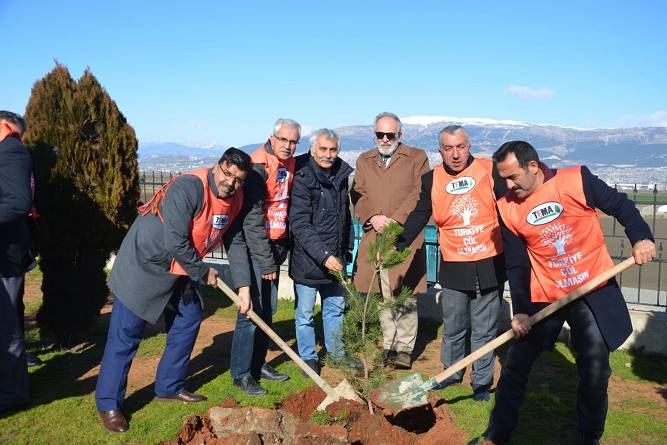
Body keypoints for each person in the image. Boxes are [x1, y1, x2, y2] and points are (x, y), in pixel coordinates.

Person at [481, 141, 656, 445]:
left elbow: (621, 206)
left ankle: (588, 436)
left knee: (595, 370)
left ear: (533, 166)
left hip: (592, 288)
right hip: (545, 293)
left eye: (512, 177)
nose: (507, 185)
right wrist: (521, 310)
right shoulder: (506, 207)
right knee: (516, 365)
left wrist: (641, 238)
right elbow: (517, 263)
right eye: (502, 178)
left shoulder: (576, 180)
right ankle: (496, 434)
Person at [95, 148, 253, 433]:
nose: (231, 182)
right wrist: (203, 271)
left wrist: (243, 287)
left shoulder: (236, 199)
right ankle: (109, 403)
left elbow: (237, 242)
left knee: (188, 319)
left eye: (238, 179)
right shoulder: (188, 188)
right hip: (146, 263)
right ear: (217, 167)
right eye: (227, 174)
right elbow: (176, 240)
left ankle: (169, 385)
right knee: (126, 335)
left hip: (181, 267)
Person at [397, 125, 505, 401]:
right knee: (454, 325)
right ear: (440, 151)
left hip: (489, 263)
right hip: (454, 264)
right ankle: (451, 374)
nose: (455, 154)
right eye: (448, 148)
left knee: (484, 329)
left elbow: (509, 208)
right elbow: (420, 214)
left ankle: (481, 383)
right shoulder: (431, 179)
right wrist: (398, 243)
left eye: (460, 147)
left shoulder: (489, 170)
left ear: (469, 146)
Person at [350, 112, 429, 369]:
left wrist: (395, 220)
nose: (384, 139)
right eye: (379, 134)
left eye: (390, 134)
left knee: (403, 293)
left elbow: (420, 193)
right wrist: (373, 216)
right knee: (382, 293)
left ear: (400, 135)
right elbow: (358, 192)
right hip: (375, 234)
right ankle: (389, 345)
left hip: (405, 236)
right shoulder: (364, 160)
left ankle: (404, 350)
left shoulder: (417, 158)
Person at [230, 118, 300, 396]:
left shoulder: (290, 163)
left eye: (293, 141)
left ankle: (259, 364)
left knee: (267, 311)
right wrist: (265, 260)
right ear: (272, 138)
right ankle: (241, 373)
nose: (288, 145)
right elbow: (251, 220)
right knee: (250, 313)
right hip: (256, 249)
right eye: (283, 140)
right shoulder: (258, 167)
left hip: (275, 247)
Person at [288, 129, 353, 375]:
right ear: (313, 150)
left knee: (334, 309)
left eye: (332, 150)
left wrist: (344, 251)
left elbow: (344, 217)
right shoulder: (303, 177)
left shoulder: (341, 175)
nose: (328, 155)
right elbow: (301, 225)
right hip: (309, 259)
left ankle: (336, 354)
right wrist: (325, 256)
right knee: (304, 313)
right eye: (323, 149)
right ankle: (308, 357)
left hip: (335, 257)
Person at [0, 111, 33, 414]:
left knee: (7, 329)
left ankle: (13, 393)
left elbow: (19, 202)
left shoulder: (11, 151)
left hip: (6, 257)